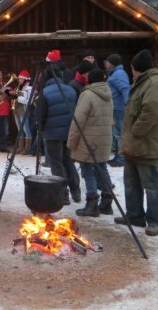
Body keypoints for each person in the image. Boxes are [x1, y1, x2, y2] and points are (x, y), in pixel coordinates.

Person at [114, 49, 158, 237]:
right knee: (131, 183)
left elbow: (151, 113)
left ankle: (155, 221)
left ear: (136, 68)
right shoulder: (142, 83)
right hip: (134, 146)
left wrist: (136, 131)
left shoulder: (154, 85)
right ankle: (135, 215)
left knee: (151, 184)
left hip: (147, 145)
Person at [67, 69, 115, 216]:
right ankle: (107, 202)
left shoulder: (87, 94)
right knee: (102, 167)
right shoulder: (108, 94)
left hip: (89, 139)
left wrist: (71, 142)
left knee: (87, 169)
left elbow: (78, 120)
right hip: (104, 138)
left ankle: (92, 203)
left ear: (90, 81)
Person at [35, 51, 81, 204]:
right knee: (68, 161)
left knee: (56, 163)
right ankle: (76, 190)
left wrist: (40, 129)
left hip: (52, 134)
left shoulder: (45, 92)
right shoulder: (70, 90)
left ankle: (63, 194)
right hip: (68, 132)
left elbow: (40, 115)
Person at [105, 53, 130, 167]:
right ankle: (118, 156)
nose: (106, 63)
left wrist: (128, 105)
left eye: (108, 62)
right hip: (115, 108)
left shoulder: (118, 74)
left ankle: (121, 158)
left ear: (112, 63)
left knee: (119, 134)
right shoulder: (115, 73)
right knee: (116, 134)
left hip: (118, 109)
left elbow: (125, 89)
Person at [13, 70, 33, 154]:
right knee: (19, 129)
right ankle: (21, 147)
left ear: (25, 79)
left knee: (26, 129)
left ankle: (27, 148)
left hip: (23, 111)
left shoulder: (30, 89)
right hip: (16, 110)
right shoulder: (19, 88)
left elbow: (29, 101)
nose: (19, 80)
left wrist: (18, 98)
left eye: (20, 79)